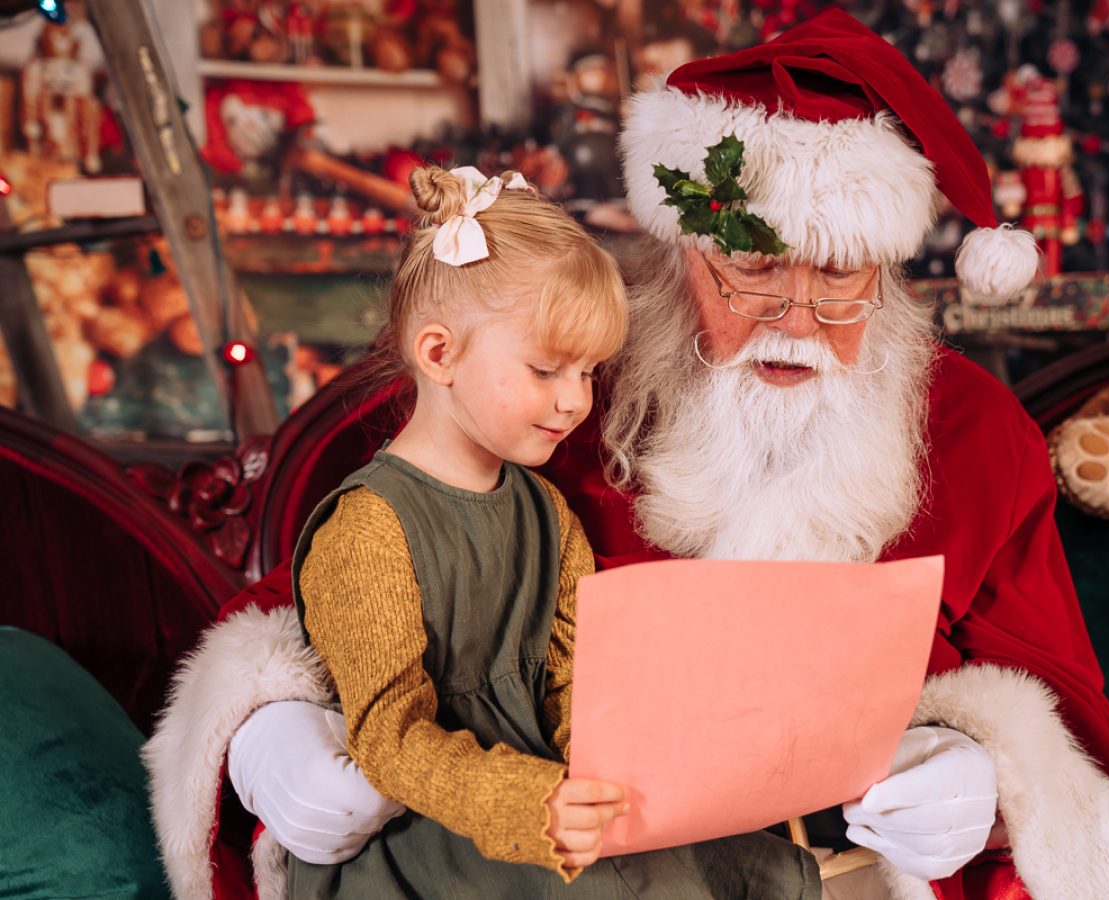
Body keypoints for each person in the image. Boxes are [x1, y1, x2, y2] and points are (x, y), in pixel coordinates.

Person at [144, 11, 1109, 900]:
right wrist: (270, 732)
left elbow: (1056, 692)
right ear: (680, 260)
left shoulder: (967, 430)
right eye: (750, 268)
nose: (794, 314)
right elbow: (361, 569)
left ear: (888, 273)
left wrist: (989, 773)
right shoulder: (571, 392)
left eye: (838, 274)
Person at [278, 161, 819, 898]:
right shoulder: (367, 529)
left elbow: (575, 685)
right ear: (439, 354)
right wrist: (530, 803)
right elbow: (390, 739)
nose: (574, 402)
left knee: (745, 871)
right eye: (545, 369)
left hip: (555, 793)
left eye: (590, 372)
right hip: (442, 827)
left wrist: (627, 774)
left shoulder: (546, 512)